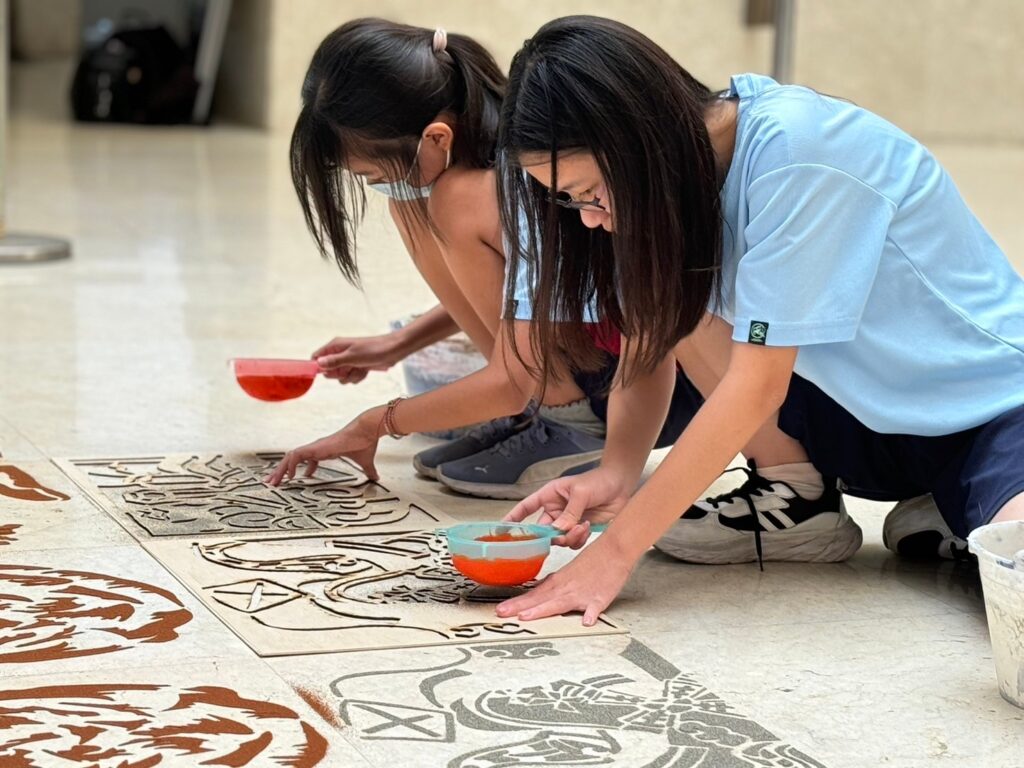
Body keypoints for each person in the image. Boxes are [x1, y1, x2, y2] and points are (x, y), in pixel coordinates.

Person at [492, 16, 1024, 625]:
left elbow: (758, 384)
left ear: (641, 140)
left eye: (591, 193)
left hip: (996, 409)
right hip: (868, 421)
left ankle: (965, 505)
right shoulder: (678, 183)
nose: (588, 218)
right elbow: (653, 334)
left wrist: (616, 553)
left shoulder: (797, 153)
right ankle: (812, 499)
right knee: (676, 284)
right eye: (572, 201)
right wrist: (617, 472)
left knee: (1018, 577)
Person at [269, 18, 698, 499]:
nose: (376, 187)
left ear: (436, 137)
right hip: (594, 364)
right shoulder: (480, 168)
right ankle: (542, 411)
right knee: (412, 202)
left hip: (637, 389)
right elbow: (530, 296)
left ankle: (568, 419)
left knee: (441, 201)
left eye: (372, 174)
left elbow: (513, 374)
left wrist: (378, 422)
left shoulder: (499, 184)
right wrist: (398, 344)